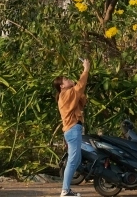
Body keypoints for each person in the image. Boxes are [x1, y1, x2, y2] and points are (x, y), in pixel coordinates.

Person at [54, 57, 90, 197]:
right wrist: (86, 69)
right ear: (62, 86)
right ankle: (65, 191)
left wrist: (78, 87)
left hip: (74, 130)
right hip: (73, 130)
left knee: (77, 160)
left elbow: (82, 99)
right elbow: (80, 87)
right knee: (73, 160)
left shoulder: (69, 95)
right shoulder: (65, 95)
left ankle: (67, 189)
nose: (69, 80)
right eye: (66, 80)